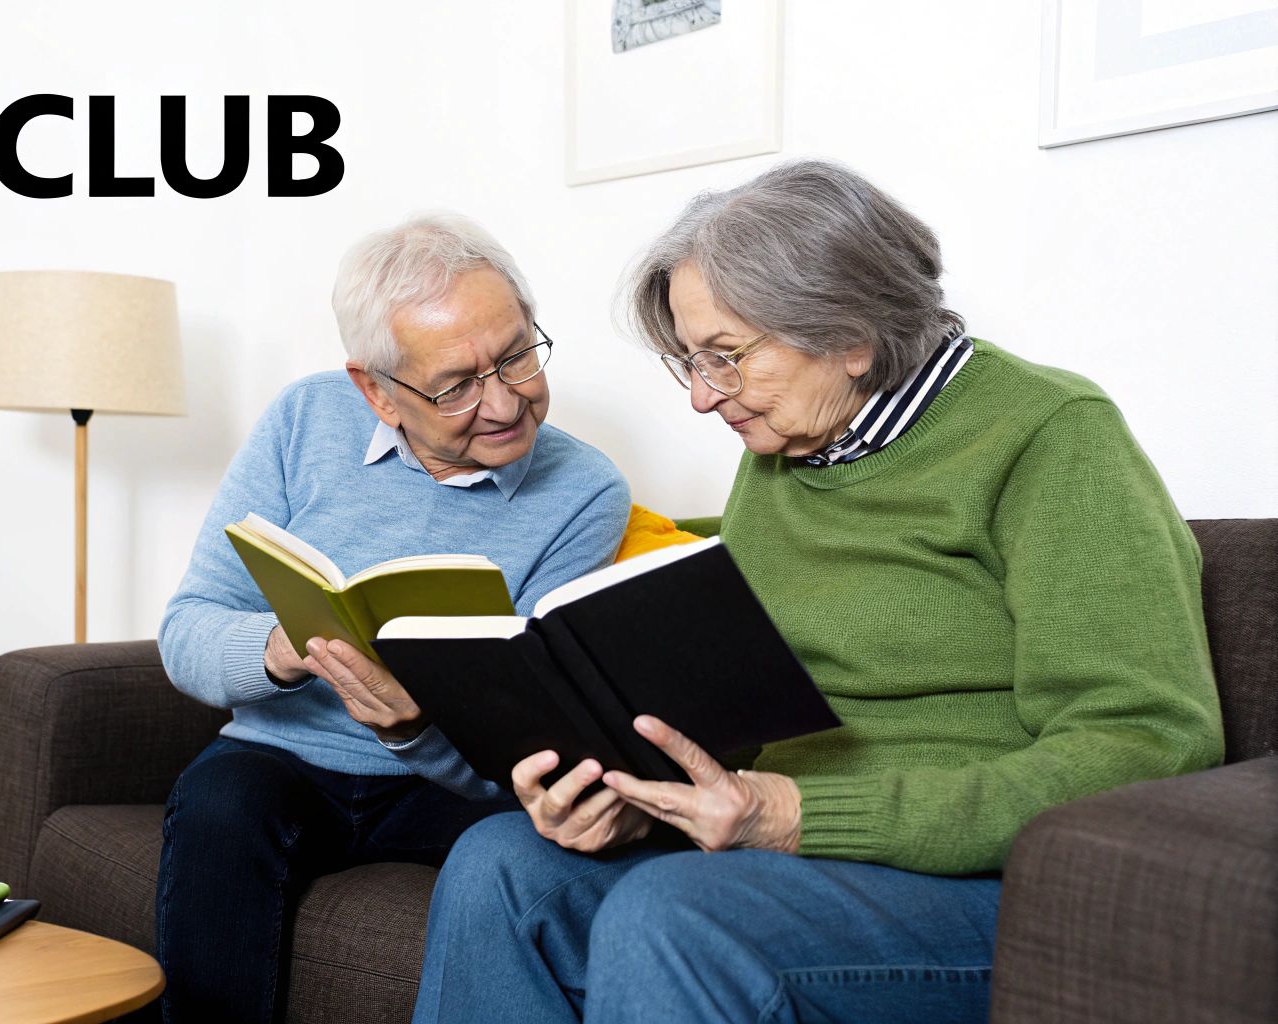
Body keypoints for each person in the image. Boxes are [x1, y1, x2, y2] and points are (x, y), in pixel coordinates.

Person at [413, 161, 1225, 1024]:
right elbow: (753, 734)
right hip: (783, 857)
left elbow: (1148, 741)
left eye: (723, 358)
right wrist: (637, 804)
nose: (699, 397)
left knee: (675, 916)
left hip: (983, 883)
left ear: (851, 334)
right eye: (688, 361)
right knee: (500, 864)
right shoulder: (783, 446)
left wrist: (802, 815)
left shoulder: (1050, 438)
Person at [156, 212, 632, 1023]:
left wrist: (412, 727)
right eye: (455, 385)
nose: (505, 400)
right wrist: (281, 649)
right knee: (221, 808)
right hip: (285, 759)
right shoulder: (304, 421)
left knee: (526, 853)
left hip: (450, 784)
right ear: (375, 390)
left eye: (516, 354)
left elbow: (530, 737)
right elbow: (187, 628)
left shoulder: (587, 491)